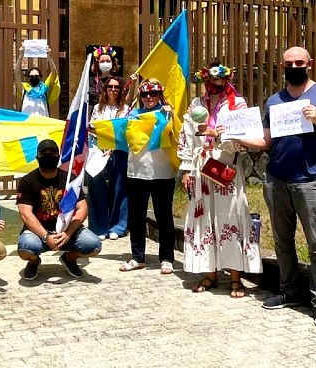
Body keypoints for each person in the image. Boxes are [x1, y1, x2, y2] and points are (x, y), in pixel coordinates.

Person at [238, 46, 316, 329]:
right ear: (282, 66)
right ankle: (289, 291)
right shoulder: (274, 100)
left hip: (311, 181)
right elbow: (267, 141)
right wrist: (236, 137)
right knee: (282, 242)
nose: (294, 66)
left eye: (299, 62)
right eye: (289, 63)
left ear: (310, 64)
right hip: (276, 179)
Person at [177, 63, 262, 297]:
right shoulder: (196, 105)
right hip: (200, 168)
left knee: (230, 217)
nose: (215, 86)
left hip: (225, 168)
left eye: (219, 82)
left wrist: (220, 135)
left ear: (226, 81)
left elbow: (245, 143)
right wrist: (186, 170)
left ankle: (235, 277)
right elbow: (186, 138)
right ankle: (210, 272)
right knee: (203, 219)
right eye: (210, 82)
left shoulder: (238, 105)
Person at [16, 139, 102, 280]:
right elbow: (25, 214)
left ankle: (69, 258)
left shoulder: (70, 179)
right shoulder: (27, 181)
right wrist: (45, 236)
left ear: (58, 157)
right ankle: (34, 261)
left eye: (53, 153)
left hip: (67, 230)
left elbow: (82, 209)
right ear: (37, 157)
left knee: (94, 246)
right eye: (44, 153)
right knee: (26, 248)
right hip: (38, 232)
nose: (48, 156)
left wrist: (68, 233)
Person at [120, 79, 176, 274]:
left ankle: (167, 258)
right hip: (136, 173)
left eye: (153, 93)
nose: (149, 97)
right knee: (136, 217)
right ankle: (137, 257)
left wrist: (171, 116)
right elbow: (116, 132)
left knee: (164, 217)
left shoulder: (168, 113)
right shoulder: (132, 115)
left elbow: (178, 135)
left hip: (163, 172)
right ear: (140, 97)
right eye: (145, 94)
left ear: (160, 94)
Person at [86, 75, 135, 241]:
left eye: (116, 87)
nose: (113, 90)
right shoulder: (97, 109)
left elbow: (125, 132)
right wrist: (102, 147)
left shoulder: (125, 109)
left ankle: (118, 226)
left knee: (119, 189)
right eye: (110, 87)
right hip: (98, 153)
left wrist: (112, 149)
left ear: (121, 90)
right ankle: (99, 226)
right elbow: (92, 129)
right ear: (105, 89)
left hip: (119, 152)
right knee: (97, 188)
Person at [13, 45, 58, 116]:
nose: (34, 78)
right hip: (27, 124)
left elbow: (54, 73)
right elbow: (16, 74)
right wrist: (20, 57)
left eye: (36, 76)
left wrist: (49, 57)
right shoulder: (24, 90)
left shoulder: (44, 89)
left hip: (42, 124)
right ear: (28, 78)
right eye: (31, 76)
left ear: (40, 77)